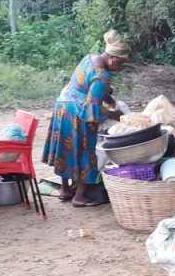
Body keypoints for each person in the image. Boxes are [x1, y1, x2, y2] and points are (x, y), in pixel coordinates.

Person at [42, 30, 129, 207]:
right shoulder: (103, 76)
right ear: (111, 58)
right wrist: (115, 115)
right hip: (78, 114)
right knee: (86, 153)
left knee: (66, 152)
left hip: (63, 106)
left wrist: (111, 102)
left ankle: (65, 190)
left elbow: (92, 89)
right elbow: (92, 110)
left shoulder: (91, 58)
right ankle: (79, 197)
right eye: (120, 63)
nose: (121, 67)